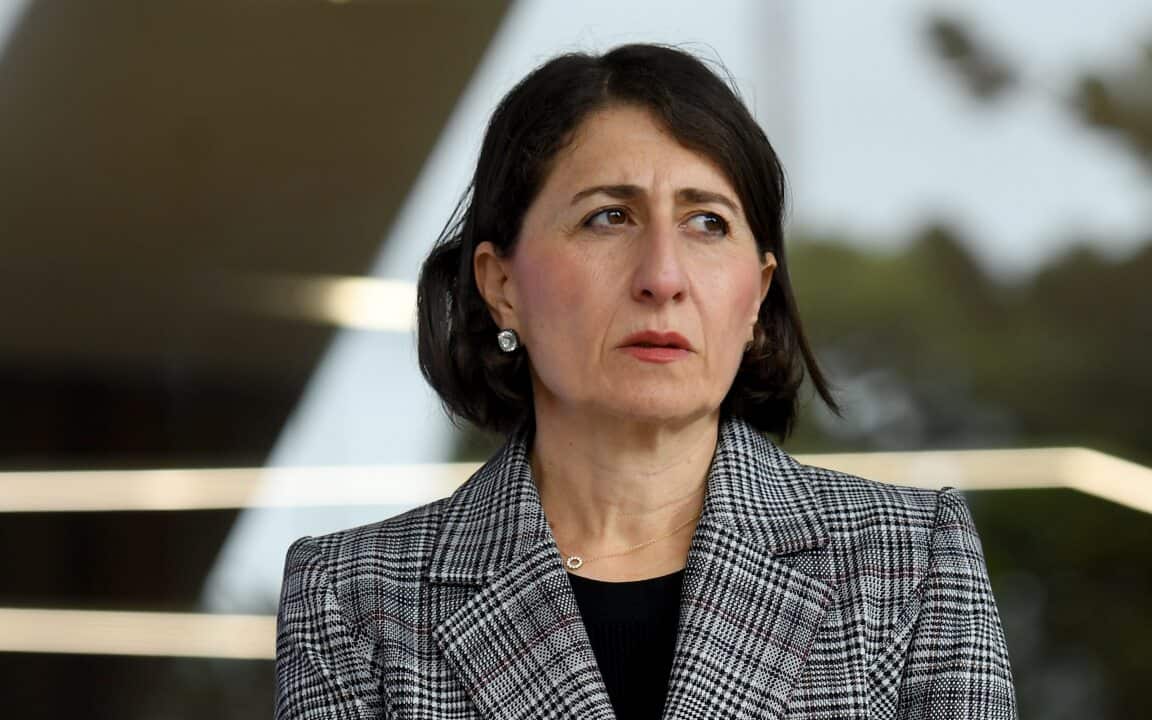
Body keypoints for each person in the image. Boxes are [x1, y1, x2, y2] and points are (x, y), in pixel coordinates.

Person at [274, 43, 1017, 720]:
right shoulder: (354, 600)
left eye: (708, 223)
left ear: (757, 295)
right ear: (501, 284)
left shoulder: (909, 562)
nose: (663, 277)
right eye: (609, 217)